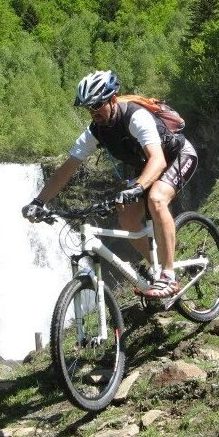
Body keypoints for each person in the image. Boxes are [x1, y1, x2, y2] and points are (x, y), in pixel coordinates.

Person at [22, 70, 198, 298]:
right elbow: (67, 168)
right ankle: (156, 267)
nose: (92, 112)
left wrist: (137, 187)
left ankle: (168, 275)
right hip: (146, 167)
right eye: (88, 107)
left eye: (97, 106)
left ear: (112, 99)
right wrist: (39, 201)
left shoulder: (136, 117)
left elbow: (158, 160)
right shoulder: (95, 131)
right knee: (126, 217)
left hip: (177, 156)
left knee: (156, 198)